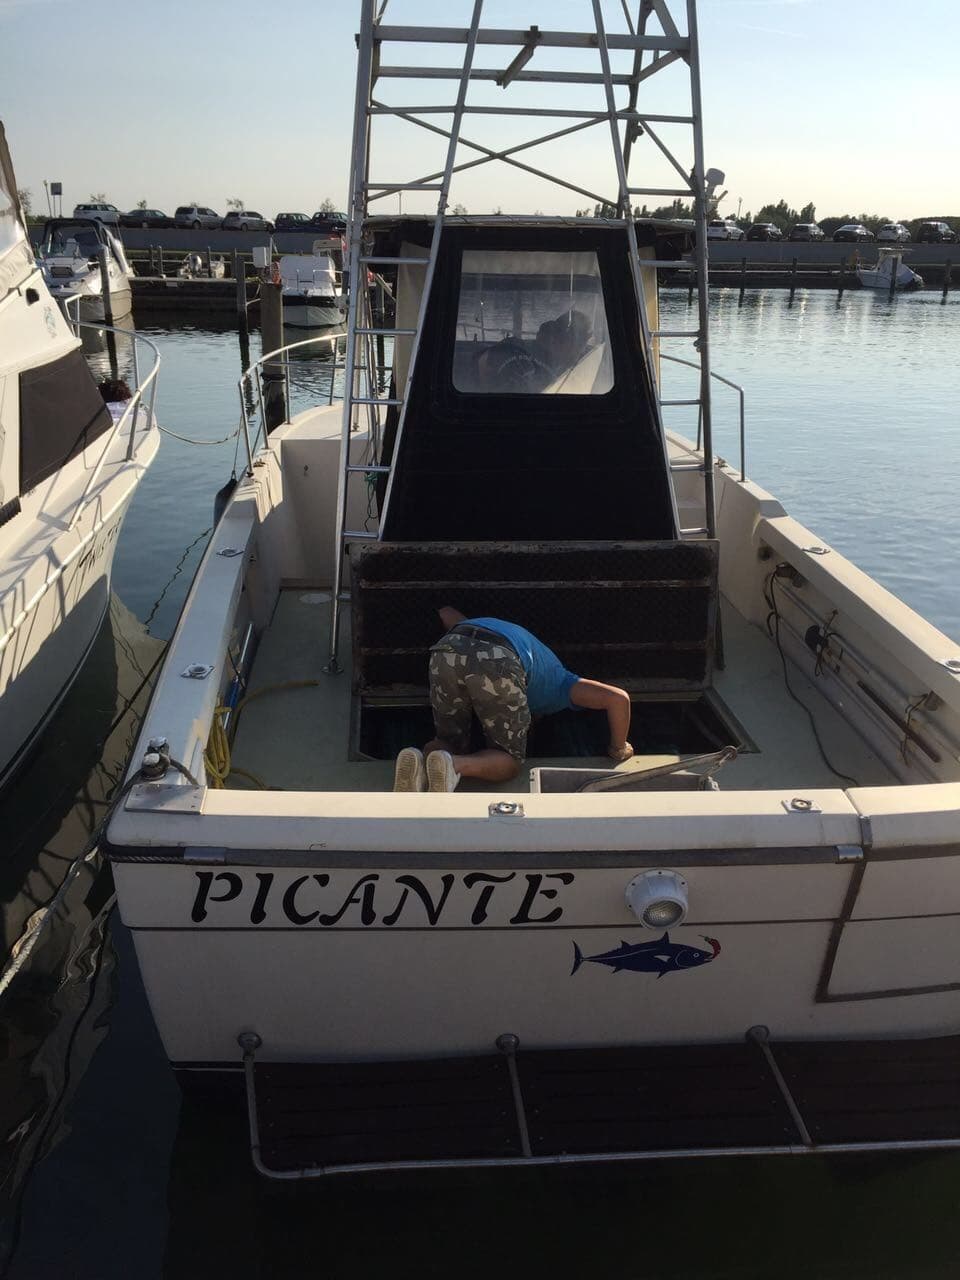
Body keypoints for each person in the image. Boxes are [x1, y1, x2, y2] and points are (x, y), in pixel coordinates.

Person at [394, 606, 634, 793]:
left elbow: (446, 613)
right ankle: (453, 766)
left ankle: (420, 761)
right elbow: (618, 699)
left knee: (447, 739)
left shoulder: (533, 656)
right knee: (509, 761)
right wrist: (618, 748)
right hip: (499, 657)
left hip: (449, 646)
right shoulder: (563, 683)